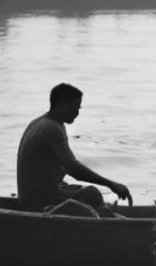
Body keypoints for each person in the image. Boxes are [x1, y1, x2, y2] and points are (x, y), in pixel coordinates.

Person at [16, 83, 131, 214]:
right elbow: (73, 169)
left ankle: (107, 216)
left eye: (79, 108)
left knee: (85, 193)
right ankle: (110, 222)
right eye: (75, 107)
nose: (77, 113)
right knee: (92, 194)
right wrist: (111, 184)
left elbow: (60, 167)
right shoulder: (51, 128)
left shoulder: (42, 122)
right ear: (61, 104)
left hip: (33, 196)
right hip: (38, 202)